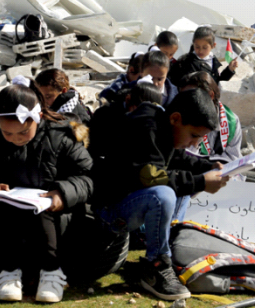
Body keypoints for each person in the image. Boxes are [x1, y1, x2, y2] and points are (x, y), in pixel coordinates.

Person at [91, 89, 230, 301]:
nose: (195, 143)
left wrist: (208, 166)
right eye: (194, 135)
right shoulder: (146, 127)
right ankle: (156, 265)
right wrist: (201, 181)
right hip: (109, 212)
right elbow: (151, 177)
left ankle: (164, 254)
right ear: (176, 119)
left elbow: (179, 158)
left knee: (178, 188)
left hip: (130, 204)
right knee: (163, 194)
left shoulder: (165, 126)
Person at [0, 76, 93, 302]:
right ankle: (9, 273)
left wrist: (62, 193)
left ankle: (52, 273)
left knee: (42, 211)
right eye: (8, 133)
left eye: (23, 132)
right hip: (7, 226)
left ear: (38, 117)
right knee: (4, 206)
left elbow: (88, 176)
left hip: (57, 220)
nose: (15, 139)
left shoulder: (62, 137)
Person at [179, 72, 242, 165]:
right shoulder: (181, 118)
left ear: (210, 95)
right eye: (183, 98)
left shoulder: (232, 121)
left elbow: (234, 156)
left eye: (192, 97)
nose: (186, 103)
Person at [169, 26, 237, 86]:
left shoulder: (212, 59)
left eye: (205, 47)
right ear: (193, 44)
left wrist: (230, 69)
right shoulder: (187, 63)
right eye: (197, 47)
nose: (200, 51)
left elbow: (216, 83)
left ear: (213, 46)